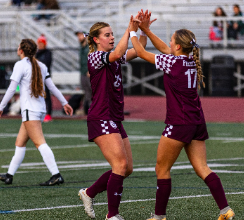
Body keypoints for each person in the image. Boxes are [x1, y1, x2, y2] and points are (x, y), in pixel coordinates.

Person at [129, 12, 235, 220]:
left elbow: (140, 52)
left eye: (172, 40)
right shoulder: (188, 61)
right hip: (197, 121)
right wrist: (147, 30)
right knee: (203, 168)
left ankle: (159, 216)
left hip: (179, 122)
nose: (169, 43)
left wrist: (133, 29)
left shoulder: (172, 62)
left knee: (162, 168)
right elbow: (164, 49)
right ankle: (225, 210)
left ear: (178, 46)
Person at [77, 10, 155, 220]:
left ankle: (89, 193)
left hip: (114, 118)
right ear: (96, 40)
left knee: (127, 168)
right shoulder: (94, 57)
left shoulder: (113, 58)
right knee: (119, 165)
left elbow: (139, 50)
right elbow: (119, 53)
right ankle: (112, 215)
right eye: (107, 35)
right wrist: (130, 30)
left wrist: (143, 31)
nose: (111, 37)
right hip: (101, 118)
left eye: (113, 34)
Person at [0, 39, 73, 186]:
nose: (17, 49)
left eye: (18, 47)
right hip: (40, 109)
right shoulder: (41, 65)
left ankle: (56, 175)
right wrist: (64, 102)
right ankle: (9, 175)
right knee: (20, 142)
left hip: (31, 110)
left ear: (21, 50)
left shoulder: (20, 65)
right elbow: (52, 87)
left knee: (40, 143)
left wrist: (1, 107)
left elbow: (12, 88)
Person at [35, 34, 53, 122]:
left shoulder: (48, 53)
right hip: (38, 77)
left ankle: (48, 114)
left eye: (42, 43)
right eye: (39, 43)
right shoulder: (37, 53)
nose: (40, 45)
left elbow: (46, 64)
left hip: (45, 77)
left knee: (47, 96)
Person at [75, 30, 91, 115]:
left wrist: (91, 70)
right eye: (78, 36)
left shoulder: (90, 47)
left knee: (92, 93)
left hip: (89, 73)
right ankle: (89, 111)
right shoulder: (81, 47)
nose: (79, 37)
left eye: (81, 35)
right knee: (87, 93)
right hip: (83, 72)